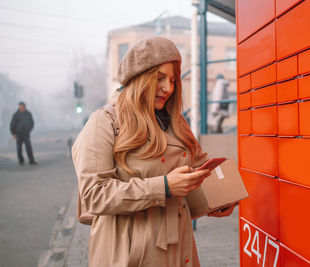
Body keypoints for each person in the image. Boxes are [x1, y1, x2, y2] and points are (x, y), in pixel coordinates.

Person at [72, 36, 236, 267]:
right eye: (159, 78)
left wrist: (219, 198)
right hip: (128, 254)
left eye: (173, 79)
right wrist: (164, 187)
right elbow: (94, 194)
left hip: (180, 250)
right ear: (138, 78)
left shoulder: (177, 123)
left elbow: (196, 173)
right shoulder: (105, 121)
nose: (168, 88)